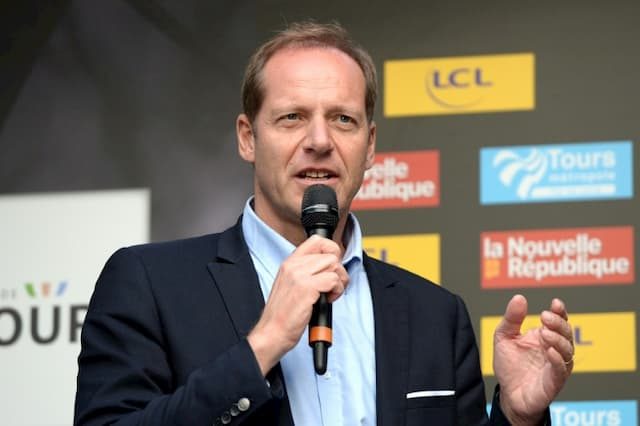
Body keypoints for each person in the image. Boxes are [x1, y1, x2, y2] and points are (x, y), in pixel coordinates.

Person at [74, 21, 573, 425]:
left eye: (343, 119)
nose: (319, 140)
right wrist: (262, 345)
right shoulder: (149, 283)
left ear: (370, 145)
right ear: (247, 138)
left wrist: (515, 417)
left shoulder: (435, 315)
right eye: (292, 117)